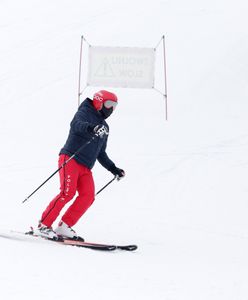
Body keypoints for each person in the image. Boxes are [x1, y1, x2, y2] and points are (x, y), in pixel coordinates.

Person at [34, 90, 125, 240]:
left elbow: (101, 153)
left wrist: (114, 169)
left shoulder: (105, 127)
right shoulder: (84, 112)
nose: (111, 109)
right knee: (66, 193)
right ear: (99, 101)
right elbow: (76, 124)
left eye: (114, 106)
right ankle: (44, 225)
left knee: (88, 196)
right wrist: (92, 128)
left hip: (86, 166)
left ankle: (64, 226)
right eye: (109, 104)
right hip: (70, 158)